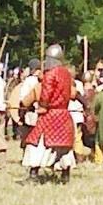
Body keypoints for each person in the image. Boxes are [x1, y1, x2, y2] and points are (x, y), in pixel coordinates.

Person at [22, 44, 75, 183]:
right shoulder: (67, 73)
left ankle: (33, 174)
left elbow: (46, 94)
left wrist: (42, 106)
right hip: (64, 114)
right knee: (63, 147)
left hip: (51, 115)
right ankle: (65, 174)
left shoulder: (50, 74)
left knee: (36, 143)